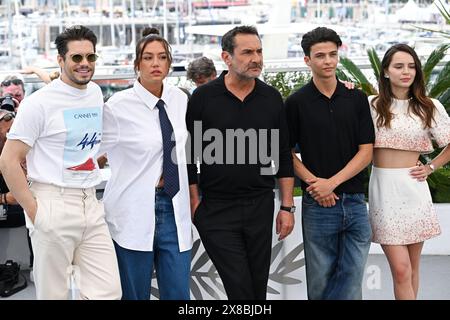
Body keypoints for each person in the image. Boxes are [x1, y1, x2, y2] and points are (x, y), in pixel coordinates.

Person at [0, 25, 121, 300]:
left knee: (109, 291)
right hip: (52, 203)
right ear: (61, 60)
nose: (84, 64)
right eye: (77, 58)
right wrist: (35, 212)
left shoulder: (93, 94)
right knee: (53, 294)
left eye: (90, 57)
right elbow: (8, 161)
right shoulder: (38, 104)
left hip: (91, 204)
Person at [186, 25, 295, 300]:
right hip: (216, 210)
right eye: (247, 52)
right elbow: (189, 156)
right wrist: (194, 204)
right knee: (240, 289)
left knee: (256, 291)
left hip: (259, 205)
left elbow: (282, 155)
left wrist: (286, 206)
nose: (256, 58)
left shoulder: (271, 98)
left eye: (259, 51)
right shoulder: (203, 98)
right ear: (227, 58)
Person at [101, 27, 192, 300]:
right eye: (148, 57)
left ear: (169, 62)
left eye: (162, 57)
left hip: (174, 205)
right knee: (134, 294)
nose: (155, 63)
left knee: (178, 294)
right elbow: (91, 153)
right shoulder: (116, 106)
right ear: (137, 64)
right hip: (133, 207)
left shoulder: (180, 100)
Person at [285, 27, 375, 300]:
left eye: (333, 55)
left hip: (356, 202)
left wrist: (330, 184)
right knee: (321, 279)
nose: (328, 61)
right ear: (307, 60)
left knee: (352, 279)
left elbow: (366, 151)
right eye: (320, 55)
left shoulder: (356, 98)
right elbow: (285, 153)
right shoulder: (296, 103)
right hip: (318, 205)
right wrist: (316, 186)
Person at [368, 44, 450, 300]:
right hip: (383, 191)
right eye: (399, 66)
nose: (406, 71)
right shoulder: (371, 104)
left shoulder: (430, 106)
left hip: (414, 191)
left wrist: (431, 167)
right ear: (385, 72)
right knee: (401, 270)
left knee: (413, 268)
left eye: (411, 66)